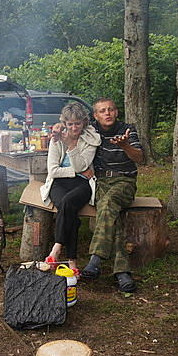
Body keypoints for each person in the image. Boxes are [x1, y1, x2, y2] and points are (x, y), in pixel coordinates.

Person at [81, 98, 143, 293]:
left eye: (110, 110)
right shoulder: (91, 129)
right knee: (111, 215)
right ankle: (122, 273)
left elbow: (141, 159)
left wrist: (125, 146)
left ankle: (95, 260)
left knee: (107, 204)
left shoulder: (127, 129)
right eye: (102, 111)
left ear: (116, 112)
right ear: (95, 116)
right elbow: (70, 124)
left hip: (124, 182)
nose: (107, 113)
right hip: (100, 183)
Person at [41, 102, 101, 271]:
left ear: (84, 122)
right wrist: (77, 171)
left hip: (83, 184)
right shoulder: (56, 139)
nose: (74, 128)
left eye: (78, 123)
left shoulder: (91, 138)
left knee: (67, 204)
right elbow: (53, 171)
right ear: (65, 124)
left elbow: (83, 164)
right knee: (69, 211)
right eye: (70, 124)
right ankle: (72, 261)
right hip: (59, 183)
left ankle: (56, 249)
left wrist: (71, 146)